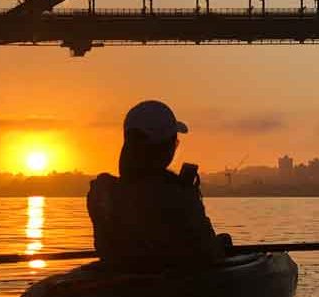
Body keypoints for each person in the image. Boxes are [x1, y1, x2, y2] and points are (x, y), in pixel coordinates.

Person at [87, 100, 230, 273]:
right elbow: (207, 252)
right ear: (166, 147)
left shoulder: (103, 192)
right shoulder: (178, 194)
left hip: (115, 283)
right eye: (174, 142)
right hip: (168, 289)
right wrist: (222, 244)